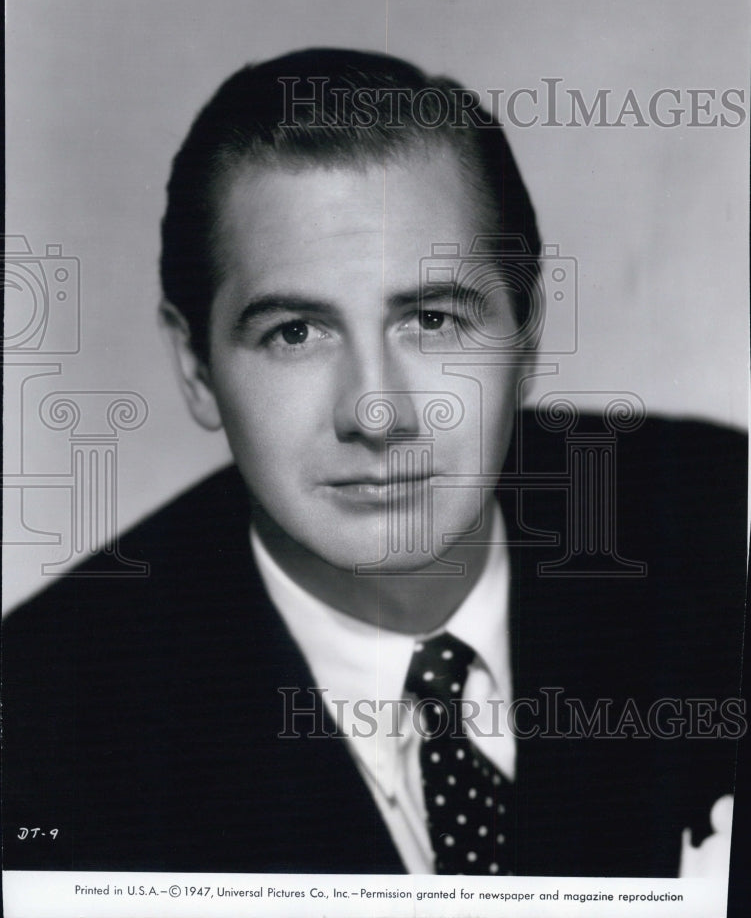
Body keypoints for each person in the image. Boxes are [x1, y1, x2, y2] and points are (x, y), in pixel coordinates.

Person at [2, 49, 746, 877]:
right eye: (294, 333)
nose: (376, 412)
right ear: (197, 369)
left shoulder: (723, 528)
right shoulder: (42, 729)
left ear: (526, 336)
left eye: (430, 319)